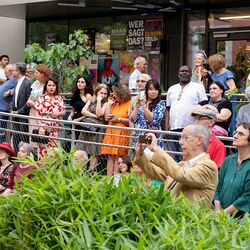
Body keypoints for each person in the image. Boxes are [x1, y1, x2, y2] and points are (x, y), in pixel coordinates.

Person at [134, 124, 218, 207]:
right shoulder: (182, 165)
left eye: (185, 138)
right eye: (180, 138)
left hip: (189, 219)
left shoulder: (209, 165)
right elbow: (156, 172)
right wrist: (140, 153)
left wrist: (156, 149)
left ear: (199, 140)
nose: (180, 142)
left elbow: (182, 175)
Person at [165, 65, 207, 161]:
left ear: (191, 74)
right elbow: (168, 108)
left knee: (188, 155)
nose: (184, 73)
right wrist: (166, 126)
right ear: (178, 74)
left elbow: (203, 106)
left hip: (190, 129)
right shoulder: (172, 89)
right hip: (173, 128)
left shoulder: (198, 87)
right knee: (173, 157)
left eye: (186, 71)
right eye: (182, 71)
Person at [214, 122, 250, 217]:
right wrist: (218, 211)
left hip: (241, 222)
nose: (235, 136)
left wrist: (224, 213)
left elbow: (247, 197)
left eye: (241, 134)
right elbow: (218, 188)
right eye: (235, 132)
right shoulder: (228, 160)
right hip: (220, 216)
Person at [101, 83, 131, 177]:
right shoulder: (114, 103)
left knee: (119, 158)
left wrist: (118, 119)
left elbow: (131, 121)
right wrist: (109, 105)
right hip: (111, 132)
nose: (113, 95)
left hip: (121, 133)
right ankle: (109, 181)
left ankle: (116, 182)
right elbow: (107, 117)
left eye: (114, 93)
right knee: (110, 157)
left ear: (121, 93)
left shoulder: (129, 103)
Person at [78, 83, 110, 171]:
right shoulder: (91, 99)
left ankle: (92, 172)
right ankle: (81, 170)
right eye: (101, 93)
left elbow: (100, 113)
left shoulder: (106, 103)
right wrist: (95, 116)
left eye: (105, 93)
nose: (103, 95)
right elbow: (83, 111)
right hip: (87, 127)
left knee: (93, 152)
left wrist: (99, 101)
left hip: (97, 130)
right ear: (97, 92)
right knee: (83, 149)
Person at [34, 78, 66, 158]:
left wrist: (58, 113)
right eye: (49, 85)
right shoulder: (41, 98)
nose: (51, 87)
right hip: (45, 128)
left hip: (55, 130)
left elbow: (64, 111)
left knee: (54, 152)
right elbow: (37, 113)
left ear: (56, 87)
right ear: (46, 87)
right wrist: (40, 127)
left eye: (53, 85)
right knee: (43, 152)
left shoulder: (59, 98)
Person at [130, 79, 166, 150]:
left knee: (152, 158)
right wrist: (137, 107)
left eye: (156, 89)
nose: (153, 92)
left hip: (153, 137)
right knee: (141, 157)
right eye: (151, 89)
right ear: (146, 91)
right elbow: (132, 119)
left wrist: (144, 107)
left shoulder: (161, 103)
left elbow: (154, 119)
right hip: (141, 136)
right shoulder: (142, 102)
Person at [10, 63, 31, 152]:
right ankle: (16, 157)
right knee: (15, 137)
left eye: (14, 70)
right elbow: (14, 97)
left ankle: (24, 159)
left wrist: (19, 111)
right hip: (15, 115)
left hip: (23, 115)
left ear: (18, 71)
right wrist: (11, 109)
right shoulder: (16, 82)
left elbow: (28, 101)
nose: (12, 71)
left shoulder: (27, 83)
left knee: (23, 138)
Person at [26, 64, 52, 141]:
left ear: (43, 74)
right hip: (32, 112)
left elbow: (49, 101)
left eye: (36, 73)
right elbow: (30, 95)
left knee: (42, 137)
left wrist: (34, 104)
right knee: (33, 135)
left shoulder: (49, 85)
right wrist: (29, 102)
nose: (34, 74)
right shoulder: (36, 83)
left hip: (42, 114)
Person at [0, 64, 17, 142]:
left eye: (5, 70)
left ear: (10, 71)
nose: (4, 72)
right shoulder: (7, 80)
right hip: (1, 109)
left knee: (1, 132)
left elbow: (17, 90)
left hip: (3, 110)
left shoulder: (14, 80)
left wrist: (10, 92)